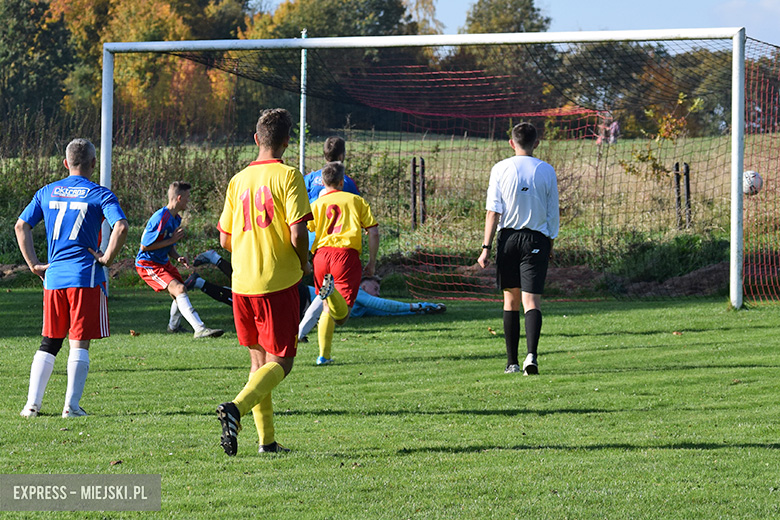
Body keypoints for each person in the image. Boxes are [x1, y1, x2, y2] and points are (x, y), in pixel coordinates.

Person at [215, 108, 313, 456]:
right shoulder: (288, 176)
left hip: (242, 283)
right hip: (278, 280)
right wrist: (303, 262)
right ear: (287, 142)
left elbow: (225, 239)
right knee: (282, 362)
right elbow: (298, 230)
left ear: (256, 139)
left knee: (259, 365)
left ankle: (267, 443)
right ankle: (235, 409)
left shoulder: (237, 180)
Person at [15, 138, 129, 418]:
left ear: (66, 163)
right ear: (93, 163)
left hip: (54, 278)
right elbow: (121, 226)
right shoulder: (100, 194)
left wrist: (33, 264)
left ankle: (32, 405)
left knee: (50, 341)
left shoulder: (46, 192)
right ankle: (71, 407)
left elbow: (21, 225)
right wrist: (107, 259)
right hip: (85, 277)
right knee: (79, 341)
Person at [477, 122, 559, 376]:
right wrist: (551, 242)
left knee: (510, 300)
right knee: (532, 301)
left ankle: (511, 363)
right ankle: (531, 357)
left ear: (512, 143)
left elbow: (493, 211)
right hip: (537, 240)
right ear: (536, 143)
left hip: (508, 239)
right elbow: (552, 212)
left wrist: (485, 248)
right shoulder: (546, 170)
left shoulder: (500, 168)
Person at [308, 161, 379, 365]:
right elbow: (373, 231)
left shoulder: (316, 205)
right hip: (345, 256)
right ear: (342, 181)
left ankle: (324, 356)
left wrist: (305, 258)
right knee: (342, 316)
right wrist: (372, 262)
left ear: (323, 182)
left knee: (326, 308)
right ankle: (332, 293)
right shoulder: (356, 201)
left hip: (321, 255)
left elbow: (305, 229)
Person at [135, 181, 223, 339]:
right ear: (179, 198)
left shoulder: (176, 218)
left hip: (162, 262)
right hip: (148, 264)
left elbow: (168, 245)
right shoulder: (160, 217)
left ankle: (173, 327)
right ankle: (200, 329)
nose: (189, 201)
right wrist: (171, 240)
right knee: (179, 289)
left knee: (180, 289)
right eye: (188, 197)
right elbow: (144, 247)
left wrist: (177, 256)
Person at [303, 136, 360, 247]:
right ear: (341, 155)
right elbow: (358, 211)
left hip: (313, 242)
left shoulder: (309, 179)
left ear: (325, 154)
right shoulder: (347, 182)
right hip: (340, 243)